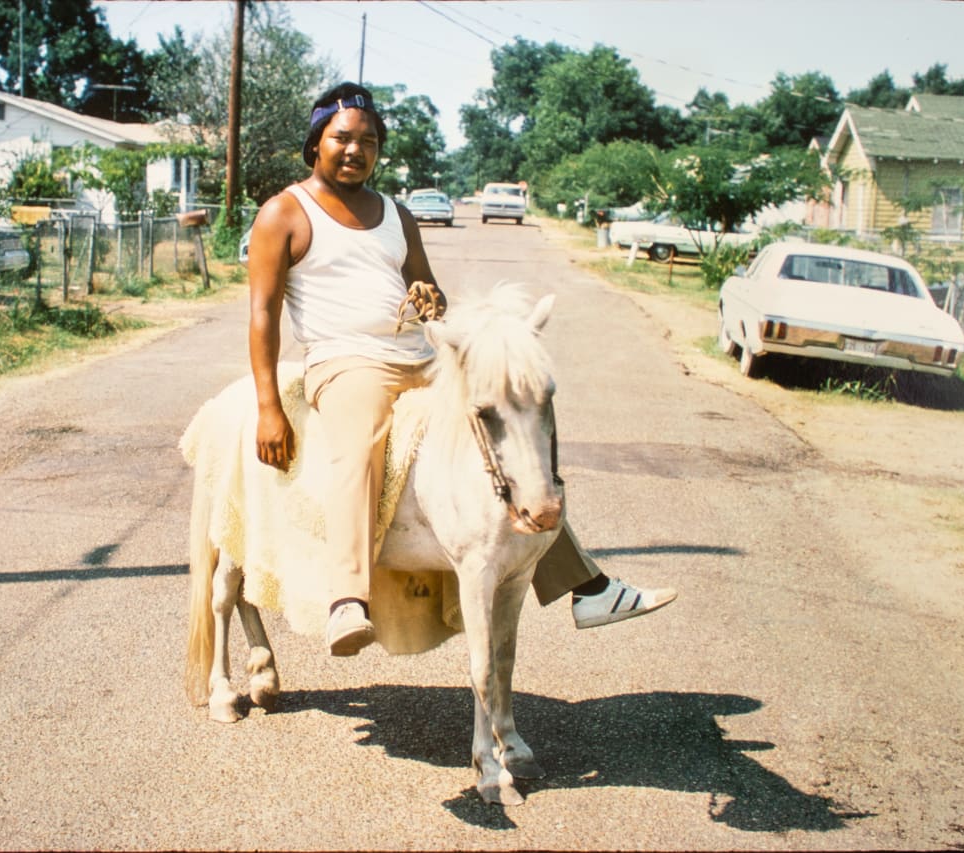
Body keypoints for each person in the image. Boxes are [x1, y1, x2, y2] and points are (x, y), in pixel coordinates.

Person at [247, 82, 676, 657]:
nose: (356, 150)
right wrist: (269, 407)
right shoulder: (284, 212)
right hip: (345, 362)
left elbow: (432, 298)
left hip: (419, 357)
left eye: (368, 141)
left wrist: (427, 296)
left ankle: (586, 587)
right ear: (315, 143)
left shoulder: (396, 214)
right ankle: (347, 598)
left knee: (505, 424)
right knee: (359, 442)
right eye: (342, 138)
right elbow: (261, 316)